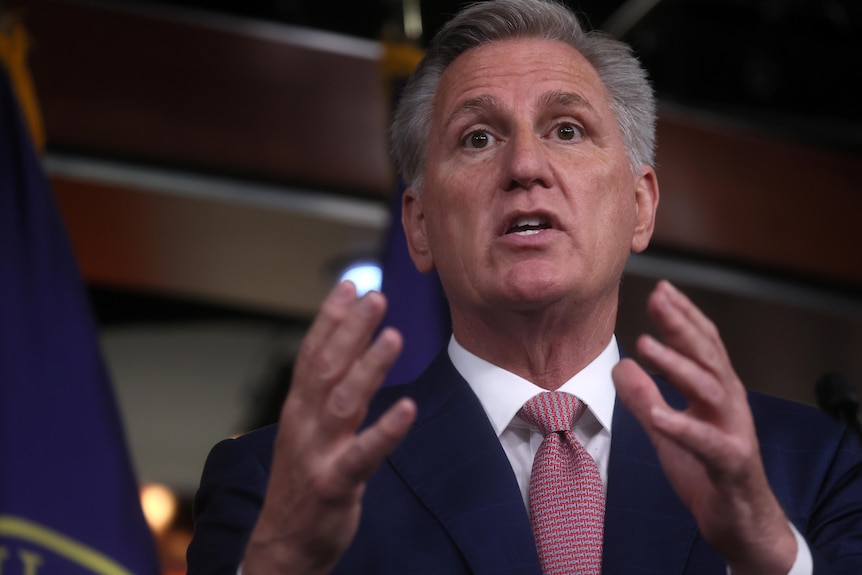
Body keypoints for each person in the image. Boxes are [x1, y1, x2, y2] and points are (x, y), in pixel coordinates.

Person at [186, 1, 862, 573]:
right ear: (419, 226)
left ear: (641, 205)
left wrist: (772, 553)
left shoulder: (811, 464)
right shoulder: (278, 483)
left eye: (567, 129)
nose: (526, 165)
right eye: (478, 138)